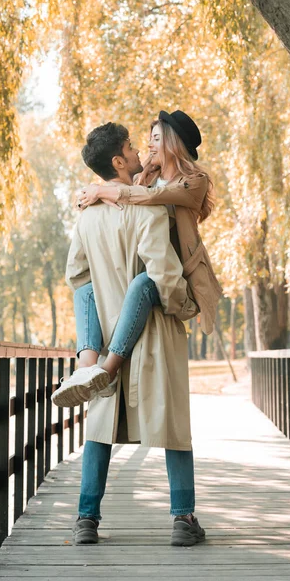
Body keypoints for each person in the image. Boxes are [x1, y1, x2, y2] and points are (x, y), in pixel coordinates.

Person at [62, 121, 205, 546]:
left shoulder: (87, 216)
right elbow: (161, 272)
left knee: (100, 426)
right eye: (130, 146)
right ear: (118, 162)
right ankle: (183, 520)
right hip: (155, 332)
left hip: (107, 333)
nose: (138, 150)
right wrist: (182, 306)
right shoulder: (146, 210)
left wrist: (92, 328)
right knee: (173, 422)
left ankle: (86, 519)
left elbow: (77, 274)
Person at [52, 111, 221, 408]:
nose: (148, 146)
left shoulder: (195, 181)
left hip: (177, 276)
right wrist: (92, 195)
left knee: (144, 282)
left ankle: (108, 371)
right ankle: (85, 367)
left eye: (155, 139)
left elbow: (149, 198)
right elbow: (127, 190)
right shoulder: (146, 176)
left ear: (171, 144)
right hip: (152, 270)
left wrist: (103, 190)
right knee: (86, 289)